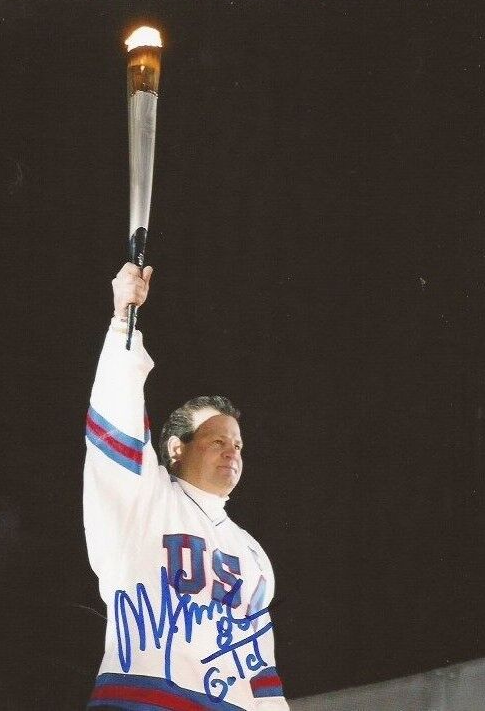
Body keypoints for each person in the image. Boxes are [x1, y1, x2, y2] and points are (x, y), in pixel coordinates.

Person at [83, 263, 289, 710]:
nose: (232, 452)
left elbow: (261, 675)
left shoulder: (253, 556)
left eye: (237, 444)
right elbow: (116, 419)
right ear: (177, 448)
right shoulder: (144, 502)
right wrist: (124, 321)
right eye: (218, 441)